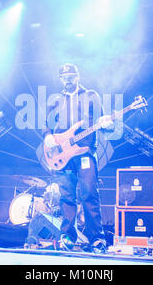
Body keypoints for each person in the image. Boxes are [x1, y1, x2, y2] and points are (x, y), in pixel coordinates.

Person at [42, 63, 114, 253]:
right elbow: (46, 124)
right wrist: (48, 136)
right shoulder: (55, 100)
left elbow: (104, 122)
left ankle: (97, 239)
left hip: (85, 153)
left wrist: (106, 123)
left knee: (89, 193)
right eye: (64, 77)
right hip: (62, 155)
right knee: (66, 197)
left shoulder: (91, 95)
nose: (68, 79)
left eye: (71, 76)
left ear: (78, 76)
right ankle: (67, 237)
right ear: (60, 79)